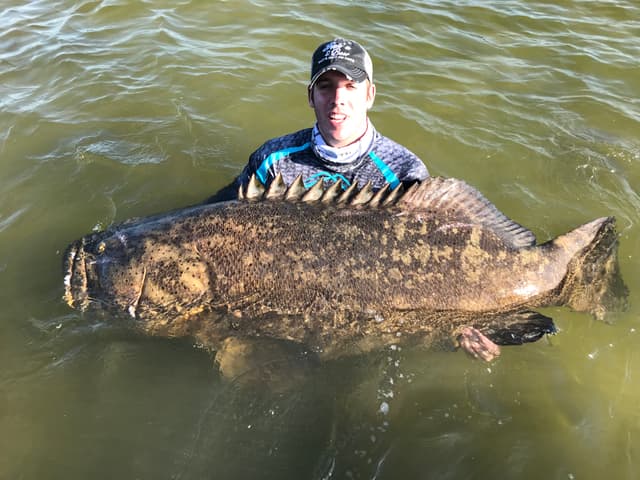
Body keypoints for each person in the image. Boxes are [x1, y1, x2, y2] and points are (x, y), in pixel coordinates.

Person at [206, 38, 428, 202]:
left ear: (369, 95)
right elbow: (225, 210)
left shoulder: (403, 174)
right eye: (325, 86)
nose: (338, 99)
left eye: (351, 86)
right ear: (310, 96)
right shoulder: (272, 161)